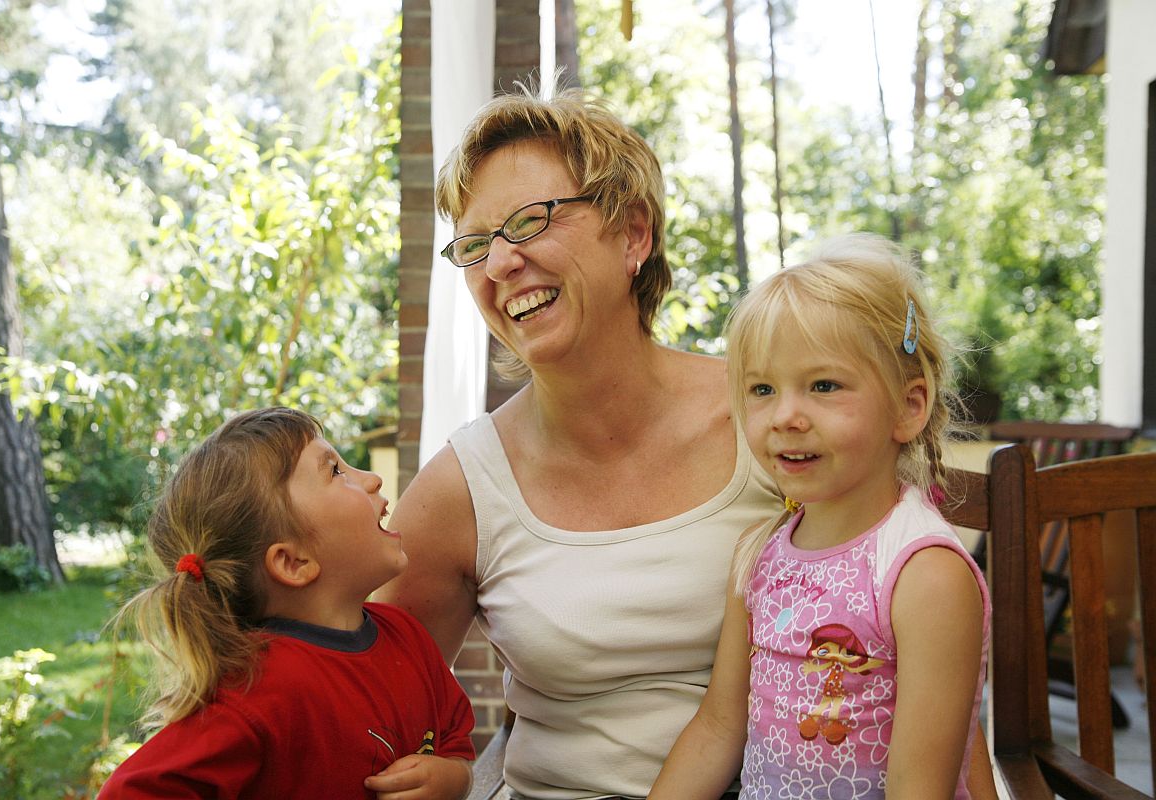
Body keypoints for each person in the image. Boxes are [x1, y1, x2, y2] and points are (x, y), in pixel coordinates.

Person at [374, 85, 782, 800]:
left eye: (531, 222)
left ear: (633, 235)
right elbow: (360, 699)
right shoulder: (466, 485)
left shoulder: (769, 421)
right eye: (474, 245)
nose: (499, 264)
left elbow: (902, 609)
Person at [649, 234, 991, 799]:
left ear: (909, 407)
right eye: (761, 389)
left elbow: (919, 788)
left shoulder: (924, 576)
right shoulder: (758, 555)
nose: (785, 416)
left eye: (823, 385)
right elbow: (717, 729)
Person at [99, 407, 475, 800]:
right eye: (335, 472)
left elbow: (457, 745)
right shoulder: (258, 690)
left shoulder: (407, 637)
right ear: (293, 562)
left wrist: (450, 779)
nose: (372, 479)